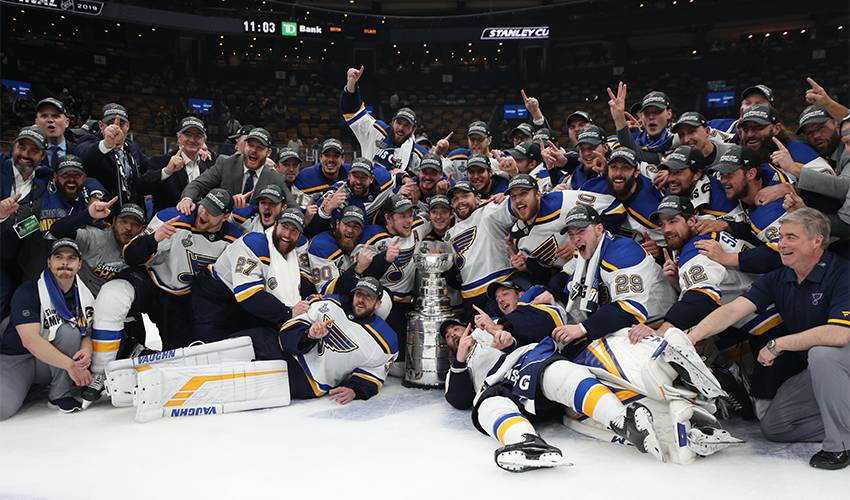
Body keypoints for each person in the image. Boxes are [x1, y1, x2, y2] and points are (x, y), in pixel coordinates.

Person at [687, 208, 850, 470]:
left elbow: (840, 334)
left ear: (817, 240)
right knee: (776, 426)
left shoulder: (843, 273)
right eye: (781, 236)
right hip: (821, 371)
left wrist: (778, 344)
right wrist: (690, 337)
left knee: (823, 353)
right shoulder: (779, 277)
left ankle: (839, 445)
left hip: (837, 359)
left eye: (791, 237)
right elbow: (733, 310)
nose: (781, 244)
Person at [442, 320, 662, 472]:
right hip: (496, 386)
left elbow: (536, 331)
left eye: (455, 329)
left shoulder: (490, 328)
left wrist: (508, 340)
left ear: (466, 326)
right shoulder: (459, 365)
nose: (454, 335)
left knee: (558, 372)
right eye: (449, 337)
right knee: (489, 407)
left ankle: (622, 420)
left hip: (524, 363)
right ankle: (526, 443)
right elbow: (458, 399)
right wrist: (460, 358)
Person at [242, 276, 398, 404]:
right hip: (284, 350)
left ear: (378, 304)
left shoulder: (386, 340)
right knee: (249, 338)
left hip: (307, 380)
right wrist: (309, 334)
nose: (361, 300)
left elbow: (373, 373)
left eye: (368, 297)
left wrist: (354, 390)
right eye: (359, 294)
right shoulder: (330, 304)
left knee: (249, 380)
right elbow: (287, 333)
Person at [554, 204, 676, 345]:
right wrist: (549, 293)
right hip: (631, 328)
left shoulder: (624, 252)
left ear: (599, 229)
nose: (576, 239)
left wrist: (582, 328)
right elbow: (572, 294)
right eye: (571, 234)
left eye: (581, 231)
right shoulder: (588, 255)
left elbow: (629, 309)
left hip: (659, 325)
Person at [0, 239, 94, 419]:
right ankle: (23, 386)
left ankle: (59, 394)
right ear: (49, 262)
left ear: (79, 264)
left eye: (71, 258)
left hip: (48, 364)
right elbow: (30, 341)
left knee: (69, 332)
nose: (64, 262)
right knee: (2, 408)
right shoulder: (29, 290)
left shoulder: (84, 295)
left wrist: (86, 350)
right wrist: (71, 366)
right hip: (17, 358)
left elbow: (87, 332)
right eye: (58, 257)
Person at [192, 208, 315, 343]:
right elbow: (248, 296)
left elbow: (304, 283)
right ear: (275, 225)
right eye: (284, 226)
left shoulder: (299, 247)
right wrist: (288, 313)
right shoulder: (253, 244)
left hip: (243, 303)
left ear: (299, 235)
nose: (287, 234)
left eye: (294, 231)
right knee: (211, 348)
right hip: (215, 295)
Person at [178, 128, 292, 215]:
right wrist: (187, 199)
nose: (253, 151)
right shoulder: (226, 163)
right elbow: (197, 185)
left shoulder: (276, 178)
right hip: (221, 225)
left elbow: (292, 207)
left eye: (260, 148)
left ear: (268, 152)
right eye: (250, 145)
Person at [444, 181, 517, 317]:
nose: (460, 201)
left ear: (477, 198)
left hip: (497, 287)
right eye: (455, 199)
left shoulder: (489, 211)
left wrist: (507, 197)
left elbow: (519, 204)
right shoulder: (449, 234)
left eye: (465, 196)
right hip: (469, 297)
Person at [48, 198, 145, 296]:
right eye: (123, 221)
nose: (128, 228)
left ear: (142, 229)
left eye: (135, 224)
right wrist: (88, 214)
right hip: (86, 301)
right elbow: (57, 230)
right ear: (114, 221)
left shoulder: (145, 250)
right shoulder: (95, 237)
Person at [0, 127, 49, 317]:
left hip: (14, 261)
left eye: (34, 151)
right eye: (21, 147)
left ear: (43, 155)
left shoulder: (43, 181)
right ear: (13, 146)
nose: (25, 155)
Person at [341, 66, 427, 173]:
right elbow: (351, 111)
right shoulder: (374, 130)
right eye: (399, 123)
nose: (401, 128)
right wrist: (351, 84)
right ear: (392, 122)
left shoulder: (415, 150)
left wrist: (437, 153)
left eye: (406, 125)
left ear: (413, 130)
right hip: (367, 187)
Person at [581, 147, 665, 256]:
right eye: (614, 167)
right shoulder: (593, 187)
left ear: (636, 172)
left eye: (625, 168)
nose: (618, 174)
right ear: (607, 170)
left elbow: (674, 242)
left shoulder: (652, 206)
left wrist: (660, 251)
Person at [75, 103, 148, 207]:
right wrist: (107, 144)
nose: (115, 128)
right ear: (101, 125)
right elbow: (83, 155)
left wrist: (167, 170)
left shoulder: (132, 147)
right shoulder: (89, 141)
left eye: (121, 124)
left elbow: (150, 166)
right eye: (110, 123)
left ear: (127, 126)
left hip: (131, 215)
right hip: (103, 213)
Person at [139, 116, 216, 215]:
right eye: (187, 135)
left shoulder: (210, 163)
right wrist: (166, 171)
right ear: (179, 137)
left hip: (201, 226)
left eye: (198, 136)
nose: (192, 140)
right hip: (169, 226)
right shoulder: (161, 161)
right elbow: (142, 188)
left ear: (204, 140)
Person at [33, 97, 75, 169]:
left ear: (66, 122)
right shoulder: (27, 154)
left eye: (56, 116)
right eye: (44, 116)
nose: (50, 120)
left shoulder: (78, 152)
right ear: (36, 123)